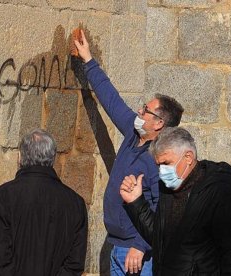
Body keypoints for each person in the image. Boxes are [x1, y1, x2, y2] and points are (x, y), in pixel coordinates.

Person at [74, 30, 184, 275]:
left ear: (158, 124)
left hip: (138, 255)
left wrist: (140, 245)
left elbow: (164, 209)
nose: (139, 111)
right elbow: (111, 100)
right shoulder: (134, 132)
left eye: (146, 110)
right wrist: (89, 61)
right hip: (117, 246)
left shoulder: (160, 158)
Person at [120, 127, 231, 275]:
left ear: (188, 157)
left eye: (166, 163)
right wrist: (136, 202)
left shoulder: (218, 191)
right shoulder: (168, 188)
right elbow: (160, 239)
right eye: (159, 165)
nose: (162, 171)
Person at [0, 128, 88, 276]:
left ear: (20, 158)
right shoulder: (76, 203)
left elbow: (0, 258)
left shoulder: (2, 197)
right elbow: (75, 263)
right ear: (53, 158)